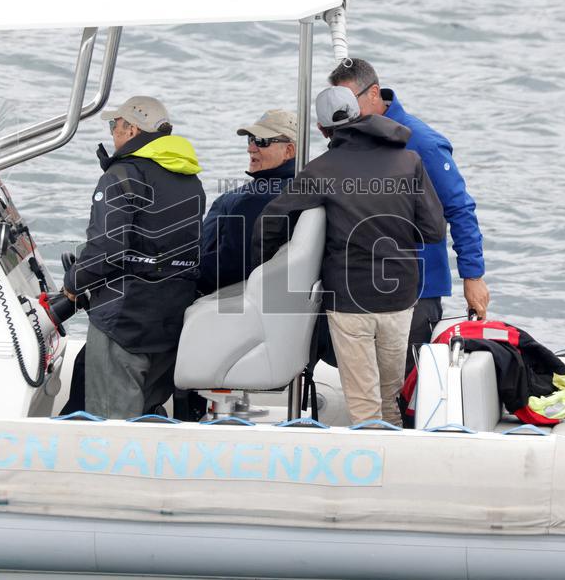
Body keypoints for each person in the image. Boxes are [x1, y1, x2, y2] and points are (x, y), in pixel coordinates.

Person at [253, 86, 445, 426]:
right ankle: (394, 461)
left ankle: (371, 465)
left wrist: (267, 265)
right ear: (361, 114)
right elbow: (433, 230)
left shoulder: (321, 170)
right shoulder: (409, 160)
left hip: (349, 300)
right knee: (392, 395)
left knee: (363, 401)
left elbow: (269, 223)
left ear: (322, 130)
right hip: (400, 297)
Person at [328, 58, 488, 353]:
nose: (346, 113)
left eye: (351, 102)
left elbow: (460, 208)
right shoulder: (346, 140)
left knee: (402, 385)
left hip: (417, 291)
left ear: (374, 93)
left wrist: (472, 276)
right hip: (361, 288)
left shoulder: (422, 142)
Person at [62, 96, 205, 420]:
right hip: (169, 319)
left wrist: (73, 283)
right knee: (147, 416)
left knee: (112, 421)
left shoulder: (122, 175)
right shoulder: (190, 181)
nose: (112, 132)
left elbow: (107, 250)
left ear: (132, 129)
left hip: (123, 320)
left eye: (115, 124)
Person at [198, 109, 297, 293]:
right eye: (250, 139)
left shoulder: (256, 200)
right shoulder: (305, 187)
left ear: (289, 150)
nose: (251, 148)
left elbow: (230, 267)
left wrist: (179, 270)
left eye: (262, 141)